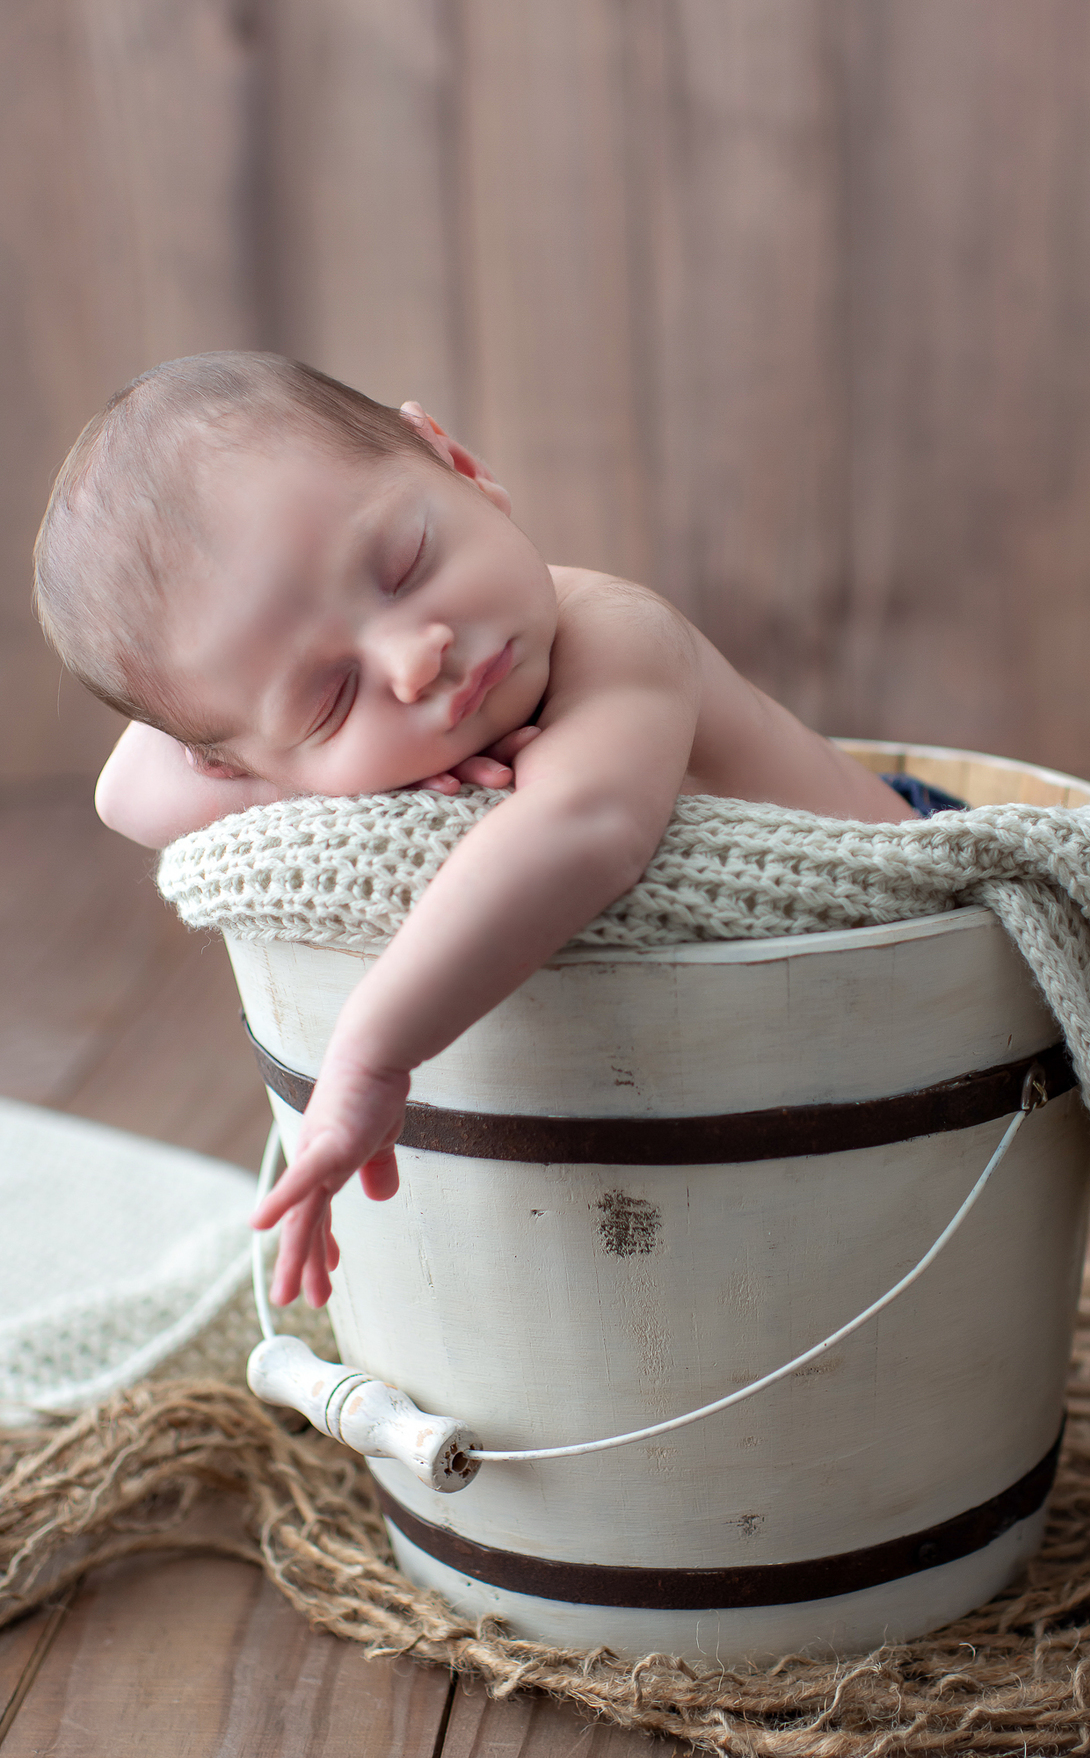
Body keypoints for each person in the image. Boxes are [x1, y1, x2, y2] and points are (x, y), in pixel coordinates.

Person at [34, 353, 918, 1308]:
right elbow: (125, 791)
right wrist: (326, 766)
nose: (417, 659)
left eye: (404, 566)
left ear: (458, 465)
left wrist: (371, 1051)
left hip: (913, 933)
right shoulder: (333, 722)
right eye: (333, 697)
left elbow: (585, 828)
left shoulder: (618, 632)